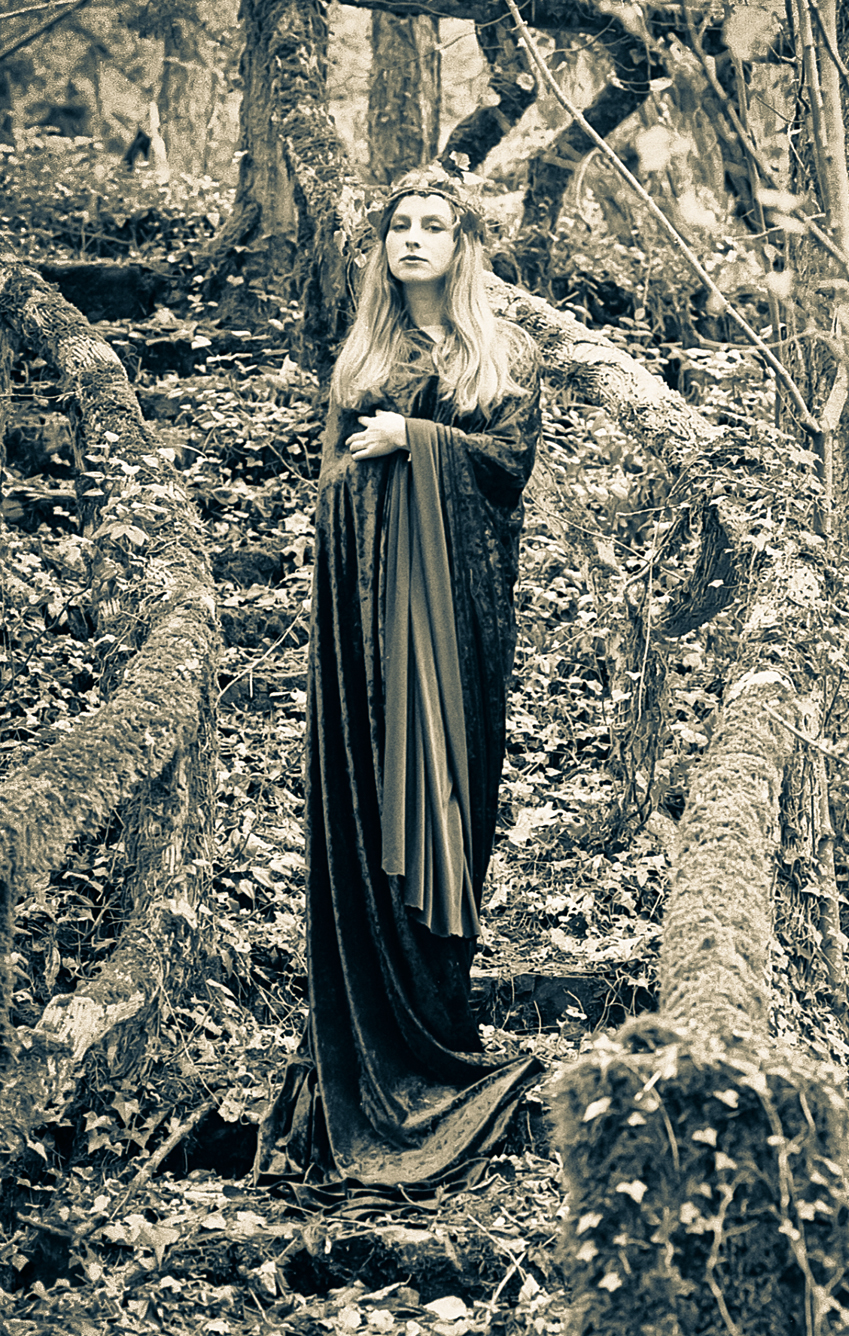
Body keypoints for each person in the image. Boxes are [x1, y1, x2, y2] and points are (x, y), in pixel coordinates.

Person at [256, 164, 543, 1190]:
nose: (412, 238)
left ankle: (435, 1028)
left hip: (456, 622)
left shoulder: (503, 353)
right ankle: (360, 1043)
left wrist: (416, 439)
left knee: (445, 802)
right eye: (399, 226)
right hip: (365, 620)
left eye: (433, 225)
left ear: (463, 245)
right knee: (367, 798)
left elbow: (507, 469)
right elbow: (333, 482)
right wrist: (374, 460)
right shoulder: (362, 355)